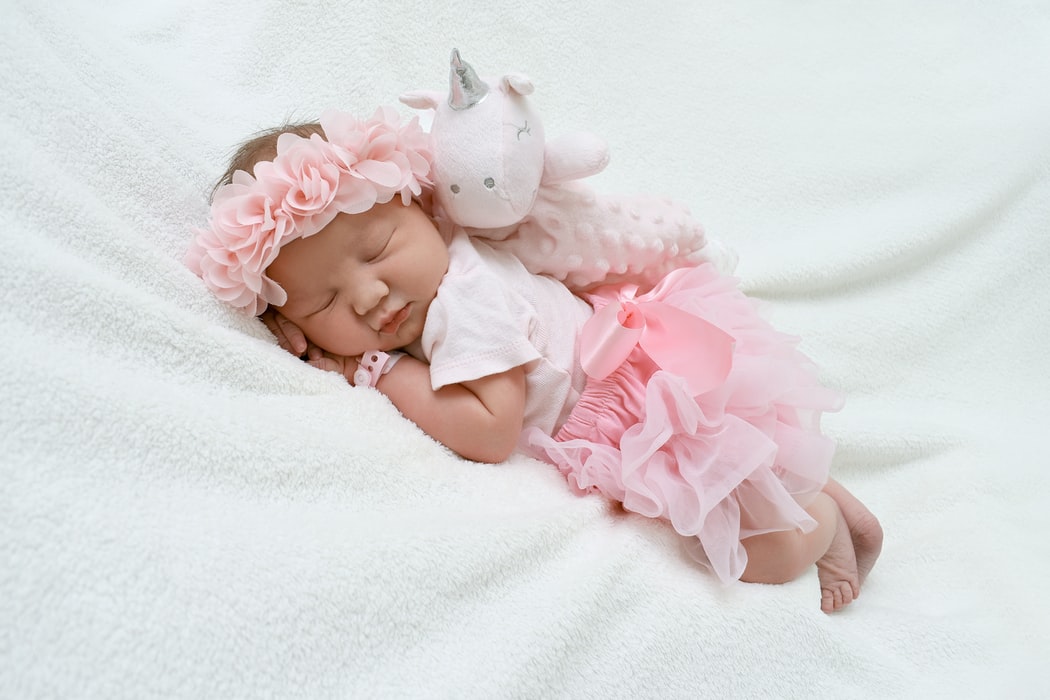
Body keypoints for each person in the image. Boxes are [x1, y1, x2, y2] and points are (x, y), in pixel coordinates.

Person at [187, 107, 883, 613]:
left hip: (637, 415)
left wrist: (381, 372)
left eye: (376, 251)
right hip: (642, 374)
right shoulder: (447, 278)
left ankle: (816, 525)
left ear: (423, 210)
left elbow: (491, 431)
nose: (369, 295)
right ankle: (815, 492)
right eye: (324, 302)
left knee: (745, 553)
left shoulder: (466, 304)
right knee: (742, 476)